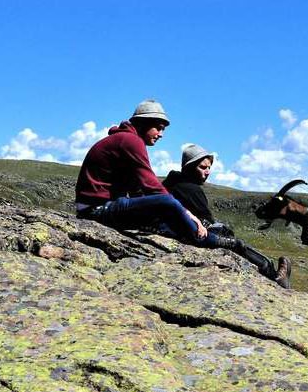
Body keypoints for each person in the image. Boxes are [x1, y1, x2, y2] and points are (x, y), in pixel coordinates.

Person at [75, 99, 210, 244]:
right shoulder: (131, 140)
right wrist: (188, 214)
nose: (161, 134)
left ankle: (208, 236)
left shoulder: (124, 139)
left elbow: (137, 190)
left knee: (164, 219)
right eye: (158, 128)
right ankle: (205, 239)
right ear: (143, 123)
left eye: (163, 129)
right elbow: (152, 187)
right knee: (167, 202)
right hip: (97, 209)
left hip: (96, 207)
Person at [163, 143, 292, 288]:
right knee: (237, 244)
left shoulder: (173, 182)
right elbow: (207, 221)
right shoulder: (190, 189)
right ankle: (274, 276)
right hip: (184, 233)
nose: (207, 172)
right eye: (203, 167)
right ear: (190, 167)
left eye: (209, 167)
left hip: (176, 229)